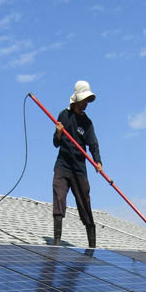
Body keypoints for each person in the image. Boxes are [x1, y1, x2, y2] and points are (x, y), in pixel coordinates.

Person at [52, 80, 102, 248]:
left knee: (84, 204)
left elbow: (93, 144)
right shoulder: (63, 116)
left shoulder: (87, 123)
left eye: (88, 100)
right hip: (63, 165)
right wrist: (59, 133)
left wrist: (98, 161)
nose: (86, 103)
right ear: (77, 100)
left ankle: (92, 245)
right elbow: (56, 143)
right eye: (84, 100)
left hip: (79, 169)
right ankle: (57, 241)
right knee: (59, 197)